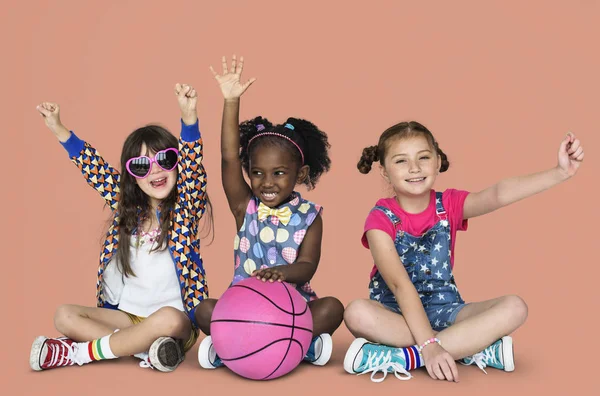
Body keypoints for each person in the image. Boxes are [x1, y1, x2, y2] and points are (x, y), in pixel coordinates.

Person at [343, 121, 584, 382]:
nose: (414, 168)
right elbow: (399, 285)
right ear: (384, 171)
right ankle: (467, 347)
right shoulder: (380, 219)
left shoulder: (449, 204)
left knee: (515, 307)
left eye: (423, 157)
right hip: (395, 313)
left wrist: (560, 173)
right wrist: (429, 345)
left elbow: (498, 194)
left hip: (446, 310)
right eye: (401, 161)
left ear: (437, 161)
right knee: (356, 313)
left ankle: (405, 358)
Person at [30, 83, 211, 372]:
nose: (155, 170)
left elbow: (194, 169)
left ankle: (79, 353)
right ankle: (145, 351)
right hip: (128, 317)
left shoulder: (185, 209)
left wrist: (189, 119)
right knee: (63, 315)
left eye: (165, 159)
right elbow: (95, 168)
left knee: (169, 318)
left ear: (177, 164)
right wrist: (59, 129)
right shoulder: (127, 208)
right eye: (141, 166)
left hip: (174, 322)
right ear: (132, 177)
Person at [196, 56, 344, 369]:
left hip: (292, 307)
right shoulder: (244, 206)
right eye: (258, 172)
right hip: (244, 305)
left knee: (332, 308)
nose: (267, 182)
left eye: (278, 173)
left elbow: (307, 266)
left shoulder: (310, 216)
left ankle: (283, 341)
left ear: (300, 174)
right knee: (204, 310)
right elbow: (227, 158)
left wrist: (282, 273)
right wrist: (231, 101)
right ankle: (262, 344)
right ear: (248, 171)